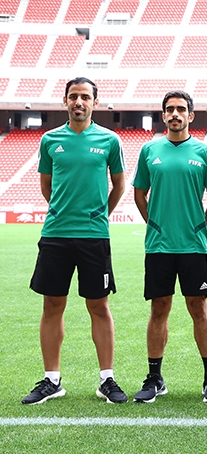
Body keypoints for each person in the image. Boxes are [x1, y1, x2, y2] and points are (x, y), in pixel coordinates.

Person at [22, 77, 128, 405]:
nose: (79, 102)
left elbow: (119, 186)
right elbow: (46, 187)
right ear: (65, 101)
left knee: (99, 305)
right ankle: (52, 380)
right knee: (52, 305)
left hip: (94, 236)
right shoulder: (50, 140)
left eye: (85, 97)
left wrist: (100, 215)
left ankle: (107, 379)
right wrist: (63, 212)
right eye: (73, 97)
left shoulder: (109, 140)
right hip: (55, 235)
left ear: (95, 102)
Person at [132, 91, 207, 403]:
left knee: (199, 308)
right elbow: (139, 193)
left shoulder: (204, 152)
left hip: (193, 246)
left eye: (181, 109)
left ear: (191, 115)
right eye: (170, 109)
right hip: (158, 246)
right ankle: (155, 377)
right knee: (159, 309)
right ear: (163, 115)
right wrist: (154, 223)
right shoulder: (149, 150)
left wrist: (201, 226)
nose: (175, 114)